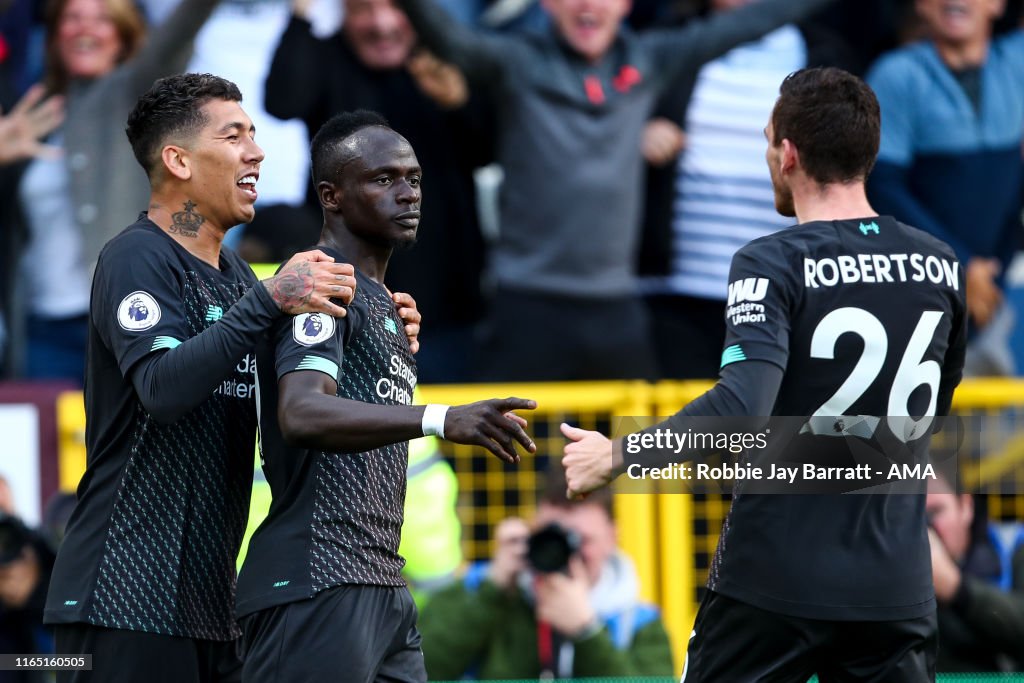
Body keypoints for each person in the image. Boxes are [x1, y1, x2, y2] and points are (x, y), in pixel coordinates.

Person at [561, 67, 967, 681]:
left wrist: (616, 456)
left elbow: (740, 411)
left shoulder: (771, 261)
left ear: (788, 153)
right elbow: (932, 409)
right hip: (895, 583)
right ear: (869, 152)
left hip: (777, 578)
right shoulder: (939, 265)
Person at [41, 73, 415, 683]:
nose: (256, 152)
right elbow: (161, 389)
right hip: (123, 596)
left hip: (213, 605)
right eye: (234, 136)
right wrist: (269, 301)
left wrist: (378, 327)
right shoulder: (136, 256)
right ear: (178, 160)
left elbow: (296, 393)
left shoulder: (239, 278)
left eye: (255, 135)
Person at [235, 110, 537, 683]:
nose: (407, 194)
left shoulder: (383, 304)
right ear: (332, 196)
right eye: (383, 179)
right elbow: (300, 411)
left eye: (414, 179)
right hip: (316, 581)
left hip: (381, 584)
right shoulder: (324, 286)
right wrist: (442, 419)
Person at [395, 0, 835, 382]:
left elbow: (746, 22)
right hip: (526, 303)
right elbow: (450, 39)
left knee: (636, 467)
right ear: (547, 4)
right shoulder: (518, 61)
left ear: (625, 5)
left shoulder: (648, 59)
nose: (589, 6)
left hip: (616, 308)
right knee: (503, 464)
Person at [262, 0, 492, 382]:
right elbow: (282, 101)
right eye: (363, 9)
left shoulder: (445, 60)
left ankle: (627, 447)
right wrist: (301, 16)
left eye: (395, 8)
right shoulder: (328, 57)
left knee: (462, 429)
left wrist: (459, 103)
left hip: (449, 306)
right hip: (347, 304)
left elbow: (493, 149)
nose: (381, 24)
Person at [0, 0, 222, 383]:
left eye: (102, 19)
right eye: (73, 17)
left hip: (125, 321)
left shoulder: (138, 99)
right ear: (54, 35)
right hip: (42, 330)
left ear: (123, 36)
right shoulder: (32, 116)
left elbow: (176, 35)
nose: (86, 29)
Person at [639, 0, 853, 379]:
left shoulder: (824, 54)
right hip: (677, 297)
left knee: (764, 436)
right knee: (675, 437)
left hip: (783, 298)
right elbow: (607, 117)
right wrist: (637, 134)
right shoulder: (670, 43)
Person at [867, 0, 1024, 375]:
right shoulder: (896, 74)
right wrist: (960, 265)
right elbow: (882, 186)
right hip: (909, 297)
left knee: (978, 428)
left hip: (988, 297)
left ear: (998, 5)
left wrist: (987, 275)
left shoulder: (1015, 64)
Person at [417, 468, 673, 679]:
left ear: (612, 537)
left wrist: (587, 632)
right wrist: (494, 589)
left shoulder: (639, 625)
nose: (568, 554)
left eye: (582, 540)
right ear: (533, 530)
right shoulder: (481, 593)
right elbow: (422, 672)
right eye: (553, 537)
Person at [927, 472, 1024, 671]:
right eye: (913, 516)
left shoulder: (1012, 548)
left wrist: (957, 588)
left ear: (966, 506)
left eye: (935, 511)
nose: (927, 529)